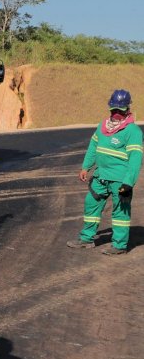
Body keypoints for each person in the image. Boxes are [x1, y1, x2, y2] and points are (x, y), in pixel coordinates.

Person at [67, 89, 142, 255]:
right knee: (91, 205)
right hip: (100, 177)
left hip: (120, 181)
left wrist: (128, 183)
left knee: (120, 212)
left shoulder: (133, 132)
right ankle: (86, 239)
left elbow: (136, 160)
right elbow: (93, 147)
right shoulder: (102, 126)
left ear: (127, 110)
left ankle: (119, 245)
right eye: (113, 110)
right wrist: (85, 167)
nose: (116, 114)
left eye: (120, 111)